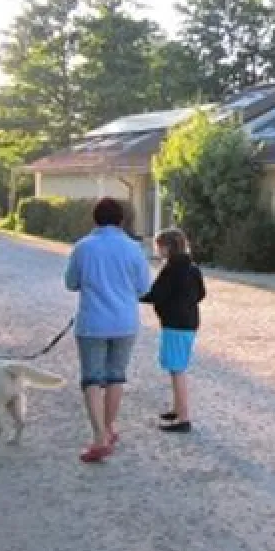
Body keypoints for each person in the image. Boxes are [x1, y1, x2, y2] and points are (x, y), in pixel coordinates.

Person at [64, 197, 152, 463]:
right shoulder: (134, 248)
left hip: (92, 322)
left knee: (92, 380)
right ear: (121, 220)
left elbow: (71, 283)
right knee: (116, 377)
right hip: (125, 322)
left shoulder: (83, 247)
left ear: (95, 219)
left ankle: (99, 436)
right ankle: (110, 427)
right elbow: (144, 288)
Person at [140, 227, 205, 433]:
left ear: (168, 247)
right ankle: (177, 409)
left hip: (174, 324)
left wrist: (134, 295)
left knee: (177, 369)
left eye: (159, 246)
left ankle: (183, 417)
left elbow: (156, 295)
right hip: (189, 322)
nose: (157, 251)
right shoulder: (193, 268)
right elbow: (201, 293)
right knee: (177, 366)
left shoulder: (170, 270)